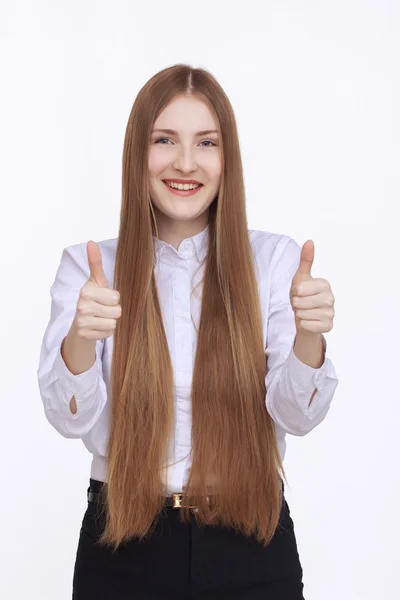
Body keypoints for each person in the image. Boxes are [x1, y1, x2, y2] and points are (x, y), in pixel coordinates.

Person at [37, 64, 339, 600]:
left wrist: (309, 340)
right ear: (138, 152)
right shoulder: (89, 269)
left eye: (206, 142)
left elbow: (297, 415)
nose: (185, 162)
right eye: (165, 140)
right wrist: (83, 338)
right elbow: (67, 418)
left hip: (251, 540)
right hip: (123, 544)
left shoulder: (273, 263)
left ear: (228, 160)